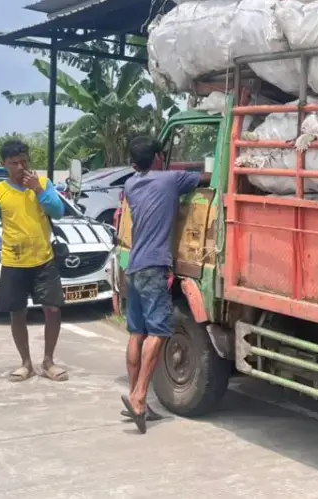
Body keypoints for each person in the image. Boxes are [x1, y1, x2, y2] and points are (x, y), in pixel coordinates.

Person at [120, 135, 210, 433]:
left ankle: (134, 394)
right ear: (159, 156)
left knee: (137, 332)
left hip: (133, 266)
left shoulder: (131, 185)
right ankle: (140, 397)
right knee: (158, 333)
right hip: (154, 266)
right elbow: (207, 177)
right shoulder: (171, 180)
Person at [0, 139, 69, 382]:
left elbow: (59, 212)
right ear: (4, 165)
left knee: (52, 309)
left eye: (24, 161)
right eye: (14, 163)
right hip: (14, 262)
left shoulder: (43, 184)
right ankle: (26, 363)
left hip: (44, 259)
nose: (21, 167)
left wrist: (39, 190)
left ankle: (49, 361)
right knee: (17, 313)